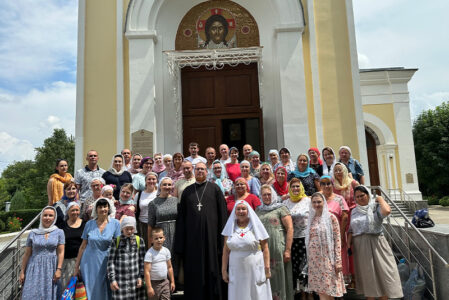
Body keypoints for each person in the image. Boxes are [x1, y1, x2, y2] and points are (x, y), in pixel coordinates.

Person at [174, 162, 228, 300]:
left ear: (206, 171)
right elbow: (181, 218)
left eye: (202, 169)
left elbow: (223, 216)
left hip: (212, 241)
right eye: (197, 169)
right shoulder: (187, 191)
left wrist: (223, 241)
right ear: (194, 171)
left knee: (212, 270)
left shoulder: (215, 189)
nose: (200, 172)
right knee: (194, 272)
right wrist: (180, 243)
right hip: (192, 242)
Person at [348, 186, 403, 300]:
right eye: (357, 197)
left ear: (368, 195)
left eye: (362, 195)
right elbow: (351, 229)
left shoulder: (375, 207)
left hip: (377, 243)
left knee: (383, 273)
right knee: (368, 276)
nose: (360, 198)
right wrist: (348, 245)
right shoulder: (354, 211)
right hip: (360, 246)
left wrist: (379, 198)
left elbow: (387, 211)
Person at [222, 200, 272, 300]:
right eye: (238, 209)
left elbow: (265, 248)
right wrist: (223, 270)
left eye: (243, 209)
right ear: (235, 211)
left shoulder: (256, 226)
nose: (241, 211)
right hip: (236, 268)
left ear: (248, 210)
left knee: (256, 293)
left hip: (254, 267)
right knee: (238, 293)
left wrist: (267, 268)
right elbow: (226, 251)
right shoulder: (230, 227)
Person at [74, 198, 121, 300]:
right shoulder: (89, 224)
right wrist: (76, 267)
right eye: (100, 207)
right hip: (88, 262)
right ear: (96, 209)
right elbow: (82, 246)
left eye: (105, 206)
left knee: (105, 289)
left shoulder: (116, 223)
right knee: (90, 290)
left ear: (109, 208)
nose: (103, 209)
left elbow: (118, 246)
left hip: (107, 262)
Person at [257, 185, 294, 300]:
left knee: (280, 276)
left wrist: (287, 250)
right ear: (261, 196)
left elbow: (290, 229)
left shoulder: (281, 208)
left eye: (269, 194)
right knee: (266, 276)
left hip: (278, 248)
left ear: (273, 195)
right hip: (263, 251)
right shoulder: (258, 210)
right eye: (264, 195)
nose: (267, 197)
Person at [306, 193, 346, 299]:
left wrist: (338, 261)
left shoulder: (331, 217)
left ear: (324, 202)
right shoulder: (311, 219)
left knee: (329, 290)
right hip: (315, 260)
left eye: (319, 202)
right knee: (320, 291)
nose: (316, 204)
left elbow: (337, 240)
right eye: (314, 202)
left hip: (328, 260)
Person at [20, 206, 65, 300]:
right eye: (45, 215)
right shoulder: (33, 233)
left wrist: (59, 269)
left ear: (54, 218)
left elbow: (61, 252)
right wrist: (22, 272)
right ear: (41, 217)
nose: (47, 218)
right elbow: (27, 254)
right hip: (34, 267)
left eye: (50, 215)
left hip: (51, 268)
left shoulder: (59, 232)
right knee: (31, 293)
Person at [282, 178, 311, 297]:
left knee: (306, 265)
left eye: (297, 186)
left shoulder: (308, 201)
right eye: (293, 186)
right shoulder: (285, 203)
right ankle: (300, 293)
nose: (295, 189)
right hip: (291, 239)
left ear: (302, 188)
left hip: (305, 238)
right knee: (295, 266)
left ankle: (308, 293)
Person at [320, 175, 350, 284]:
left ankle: (339, 290)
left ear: (333, 184)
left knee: (338, 261)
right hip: (321, 237)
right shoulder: (318, 198)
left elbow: (345, 217)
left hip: (336, 235)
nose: (326, 186)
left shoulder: (339, 198)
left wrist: (341, 236)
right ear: (320, 185)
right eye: (323, 183)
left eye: (329, 183)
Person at [107, 216, 146, 300]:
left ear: (134, 228)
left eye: (131, 229)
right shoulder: (116, 241)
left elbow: (142, 261)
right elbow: (111, 262)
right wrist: (112, 280)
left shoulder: (139, 240)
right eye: (126, 229)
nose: (129, 231)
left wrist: (141, 277)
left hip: (135, 283)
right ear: (122, 228)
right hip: (120, 283)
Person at [147, 177, 178, 253]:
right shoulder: (153, 203)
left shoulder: (176, 201)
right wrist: (149, 243)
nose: (167, 187)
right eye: (164, 184)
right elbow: (150, 225)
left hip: (176, 234)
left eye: (169, 185)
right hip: (160, 236)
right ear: (160, 186)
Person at [144, 227, 175, 300]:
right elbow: (147, 271)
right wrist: (149, 287)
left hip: (165, 282)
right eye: (156, 238)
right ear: (152, 240)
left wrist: (172, 282)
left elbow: (169, 267)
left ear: (164, 238)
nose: (159, 240)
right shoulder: (149, 254)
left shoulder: (166, 251)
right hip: (154, 284)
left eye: (161, 238)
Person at [60, 202, 86, 289]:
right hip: (66, 261)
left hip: (82, 260)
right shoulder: (62, 225)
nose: (75, 212)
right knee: (66, 288)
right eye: (72, 210)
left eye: (77, 210)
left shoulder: (85, 224)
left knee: (81, 289)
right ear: (67, 212)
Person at [135, 172, 158, 247]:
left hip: (156, 224)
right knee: (143, 247)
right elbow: (135, 208)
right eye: (149, 179)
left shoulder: (159, 193)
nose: (151, 181)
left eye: (153, 179)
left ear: (156, 181)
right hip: (142, 225)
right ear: (145, 181)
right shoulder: (139, 194)